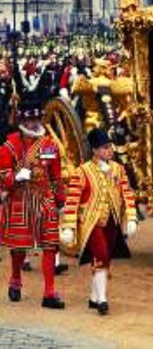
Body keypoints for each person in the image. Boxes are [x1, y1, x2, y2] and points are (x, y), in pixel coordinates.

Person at [60, 128, 137, 316]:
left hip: (112, 220)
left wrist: (132, 216)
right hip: (91, 221)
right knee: (101, 254)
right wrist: (69, 226)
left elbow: (127, 193)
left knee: (105, 257)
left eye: (110, 147)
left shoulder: (118, 169)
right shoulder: (82, 172)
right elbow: (72, 200)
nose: (109, 151)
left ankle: (94, 297)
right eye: (105, 148)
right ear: (94, 150)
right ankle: (102, 299)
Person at [0, 91, 65, 308]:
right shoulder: (10, 145)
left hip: (44, 198)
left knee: (51, 244)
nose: (33, 122)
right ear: (22, 120)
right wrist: (14, 176)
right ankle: (16, 278)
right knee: (19, 247)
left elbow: (56, 174)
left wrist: (60, 198)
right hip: (20, 197)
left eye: (36, 119)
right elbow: (2, 174)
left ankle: (49, 292)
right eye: (29, 119)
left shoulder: (48, 144)